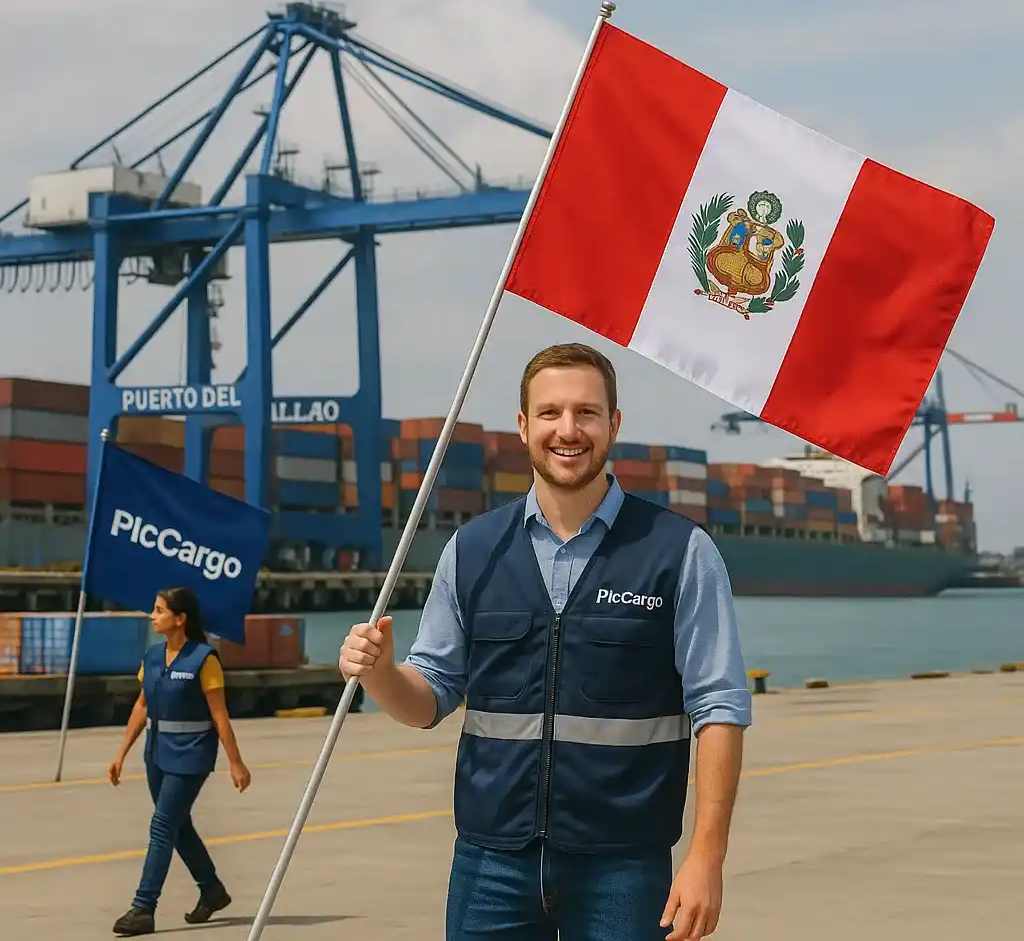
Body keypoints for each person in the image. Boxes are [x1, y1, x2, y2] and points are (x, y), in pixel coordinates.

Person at [340, 342, 752, 940]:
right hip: (490, 862)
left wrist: (706, 857)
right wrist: (379, 674)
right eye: (551, 412)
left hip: (625, 866)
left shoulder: (679, 552)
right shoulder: (473, 550)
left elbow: (719, 708)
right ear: (523, 425)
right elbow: (429, 697)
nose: (568, 429)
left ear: (614, 424)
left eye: (586, 412)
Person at [108, 586, 252, 937]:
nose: (152, 616)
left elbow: (220, 716)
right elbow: (142, 706)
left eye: (159, 610)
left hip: (192, 754)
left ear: (180, 618)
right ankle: (212, 890)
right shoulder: (153, 656)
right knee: (177, 826)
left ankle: (143, 907)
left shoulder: (205, 659)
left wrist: (236, 762)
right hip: (156, 752)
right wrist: (120, 754)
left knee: (161, 826)